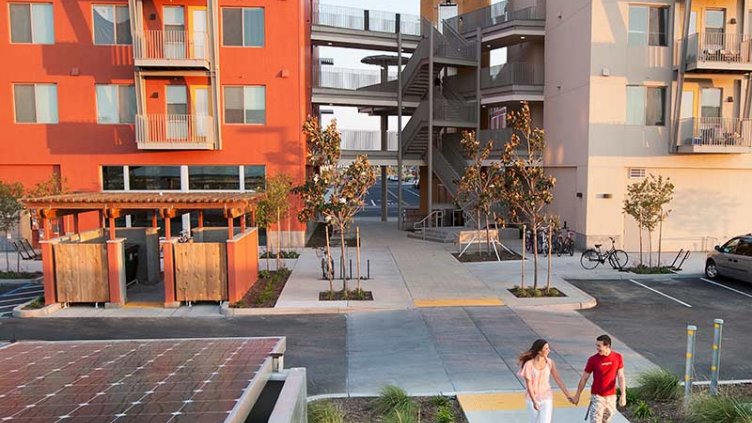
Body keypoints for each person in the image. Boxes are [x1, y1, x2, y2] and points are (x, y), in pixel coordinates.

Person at [572, 334, 627, 423]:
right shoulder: (593, 360)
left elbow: (621, 376)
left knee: (606, 420)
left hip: (611, 397)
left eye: (599, 346)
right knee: (596, 421)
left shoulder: (617, 357)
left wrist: (623, 395)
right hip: (597, 396)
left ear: (607, 346)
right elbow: (584, 378)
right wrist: (577, 395)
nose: (597, 348)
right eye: (596, 345)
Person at [518, 339, 573, 423]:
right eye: (546, 349)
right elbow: (529, 385)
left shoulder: (550, 363)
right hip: (532, 398)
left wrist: (568, 395)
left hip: (546, 397)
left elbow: (558, 380)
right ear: (540, 351)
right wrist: (534, 401)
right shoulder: (528, 365)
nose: (549, 350)